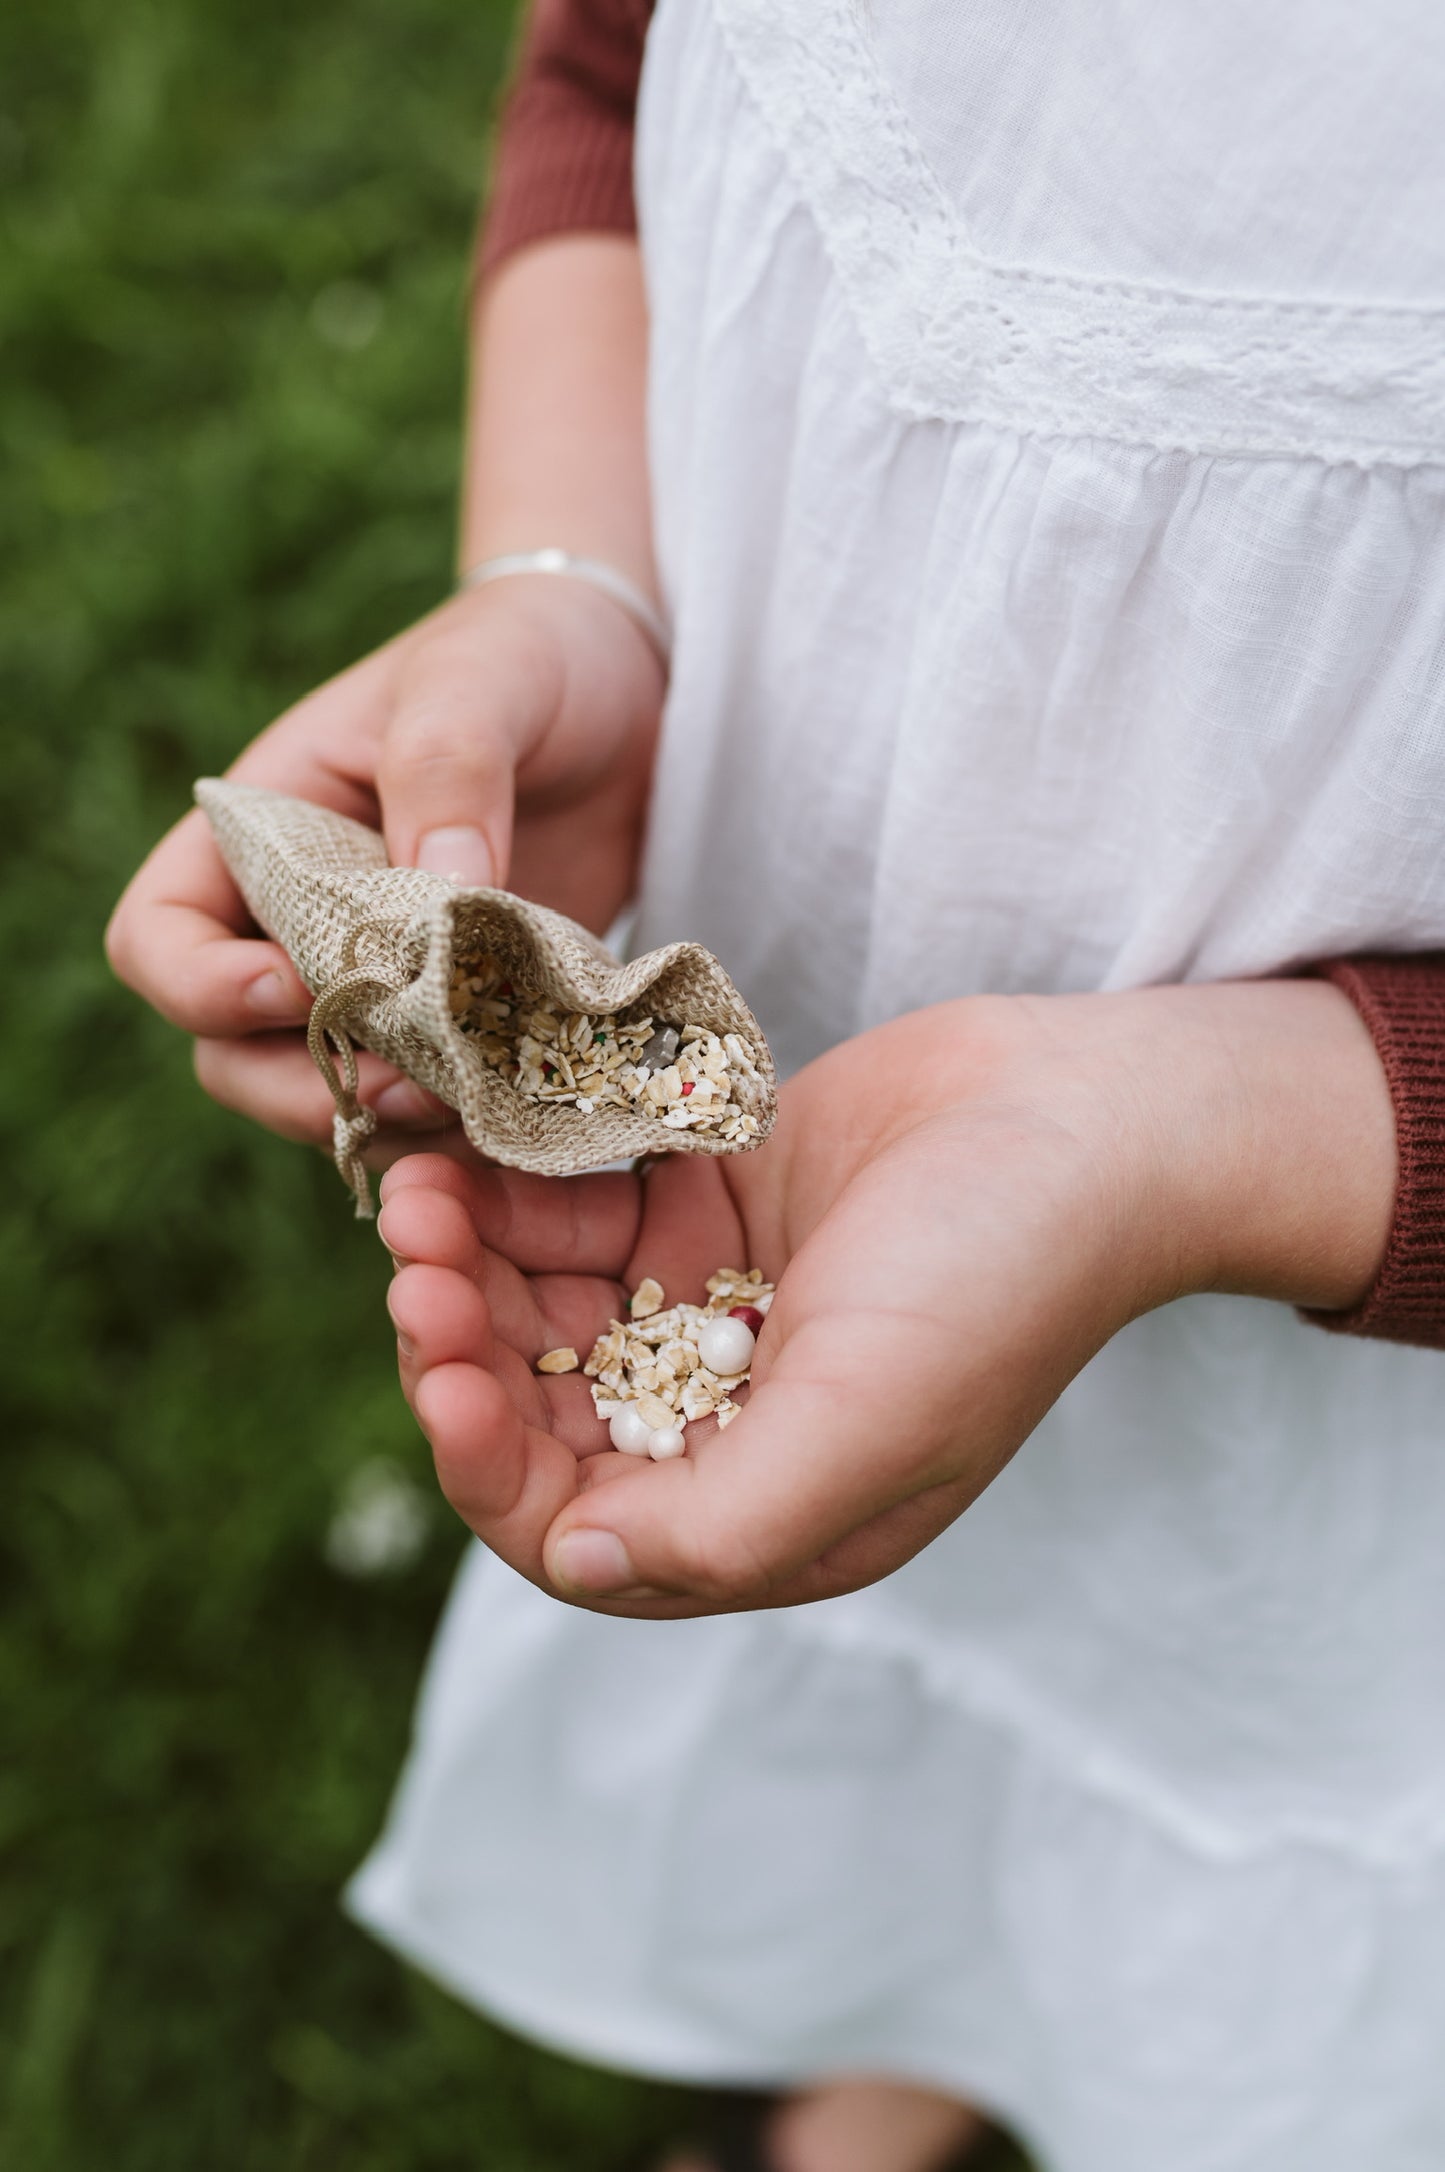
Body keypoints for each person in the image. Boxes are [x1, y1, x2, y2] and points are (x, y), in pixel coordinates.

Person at [107, 2, 1445, 2166]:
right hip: (816, 1124)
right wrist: (572, 596)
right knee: (910, 1640)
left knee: (1224, 1736)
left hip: (1361, 1323)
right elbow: (612, 71)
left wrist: (1200, 1137)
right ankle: (906, 2045)